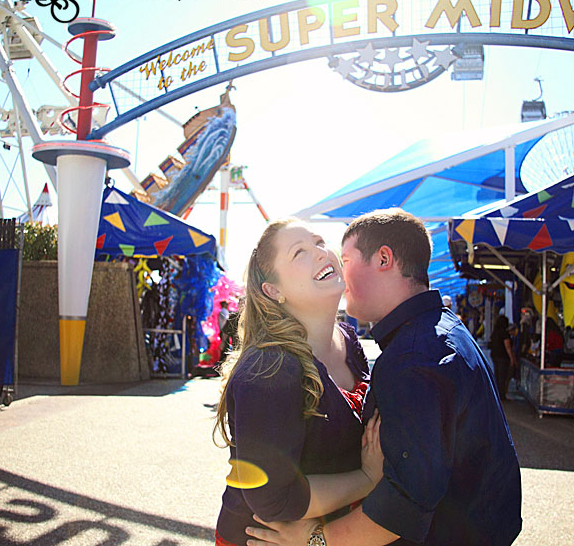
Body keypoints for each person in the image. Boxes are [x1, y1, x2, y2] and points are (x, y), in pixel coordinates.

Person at [246, 208, 521, 546]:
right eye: (302, 251)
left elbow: (406, 500)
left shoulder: (410, 358)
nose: (333, 263)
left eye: (343, 259)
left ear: (384, 259)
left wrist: (317, 540)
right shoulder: (442, 330)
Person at [214, 219, 383, 546]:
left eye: (319, 242)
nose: (321, 253)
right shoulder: (270, 368)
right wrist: (366, 479)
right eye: (299, 252)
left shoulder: (348, 339)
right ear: (273, 290)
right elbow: (272, 499)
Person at [488, 315, 516, 400]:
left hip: (494, 355)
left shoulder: (494, 333)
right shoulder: (504, 333)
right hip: (503, 357)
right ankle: (502, 395)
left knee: (497, 375)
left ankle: (496, 394)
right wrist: (512, 358)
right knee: (503, 376)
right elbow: (508, 347)